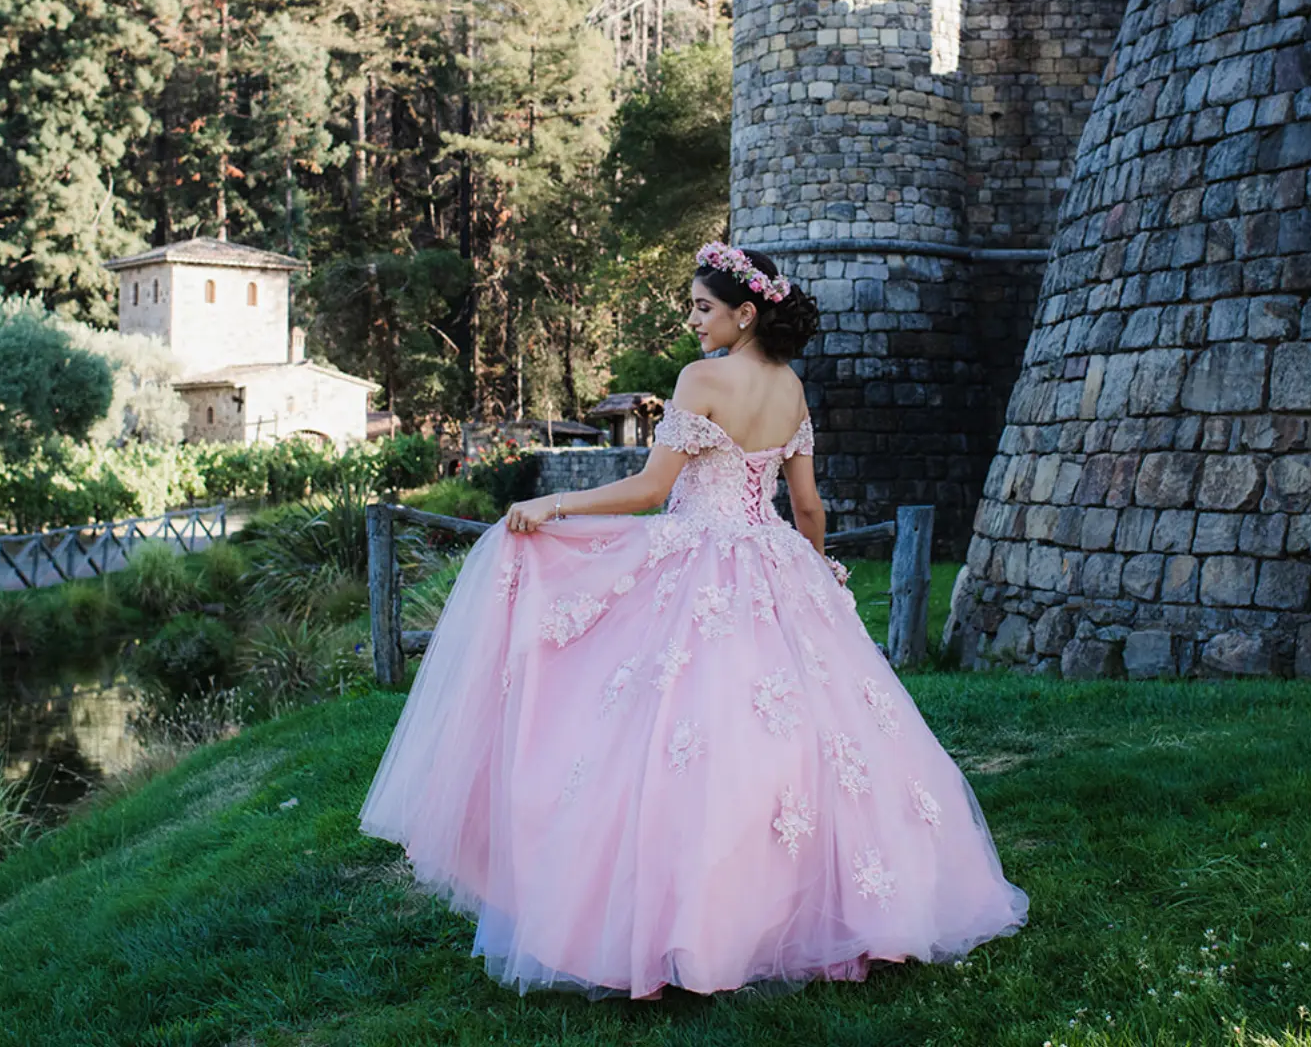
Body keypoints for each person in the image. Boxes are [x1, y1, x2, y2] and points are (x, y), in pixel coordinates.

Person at [359, 242, 1027, 998]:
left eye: (702, 307)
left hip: (702, 562)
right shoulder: (791, 388)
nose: (691, 319)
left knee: (666, 728)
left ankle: (686, 926)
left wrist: (556, 502)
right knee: (814, 735)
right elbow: (808, 506)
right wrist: (820, 570)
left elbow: (651, 489)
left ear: (745, 314)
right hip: (777, 562)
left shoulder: (702, 379)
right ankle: (841, 910)